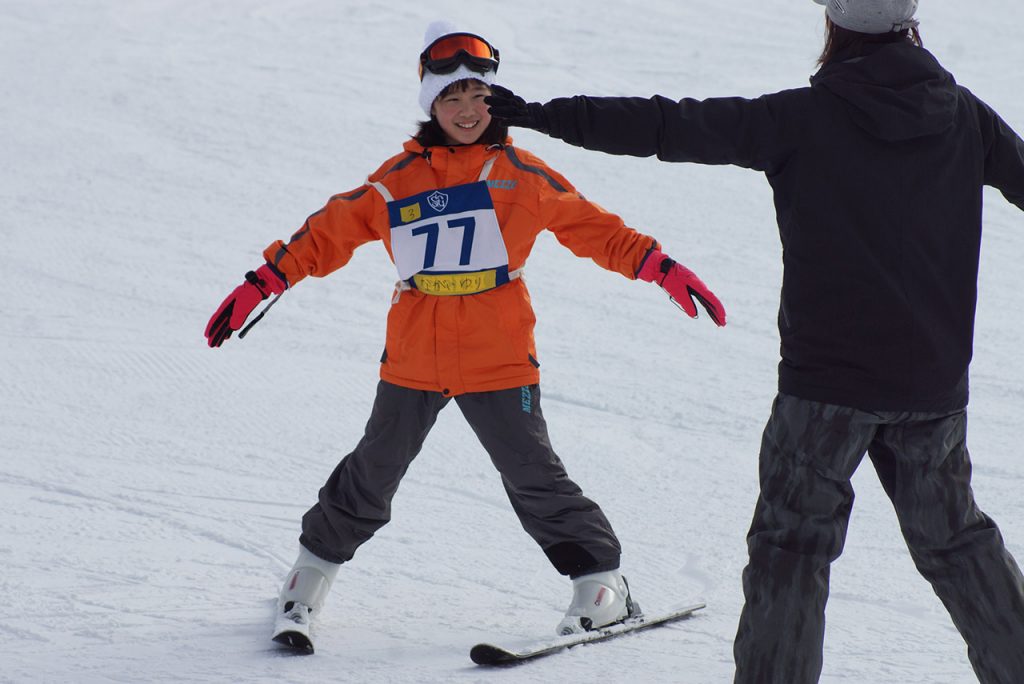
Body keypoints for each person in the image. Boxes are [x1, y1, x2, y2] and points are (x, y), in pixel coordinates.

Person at [485, 1, 1024, 682]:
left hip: (824, 394)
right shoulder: (963, 115)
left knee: (791, 552)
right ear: (910, 27)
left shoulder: (803, 118)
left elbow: (669, 125)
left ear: (835, 27)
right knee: (959, 541)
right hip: (932, 391)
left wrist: (542, 113)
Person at [204, 21, 726, 652]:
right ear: (430, 105)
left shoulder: (521, 174)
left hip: (498, 355)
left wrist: (661, 268)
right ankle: (310, 576)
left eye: (477, 95)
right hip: (414, 355)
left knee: (533, 473)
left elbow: (595, 228)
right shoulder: (396, 179)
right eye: (449, 98)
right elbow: (325, 233)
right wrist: (264, 282)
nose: (466, 110)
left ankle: (601, 585)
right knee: (374, 469)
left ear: (494, 99)